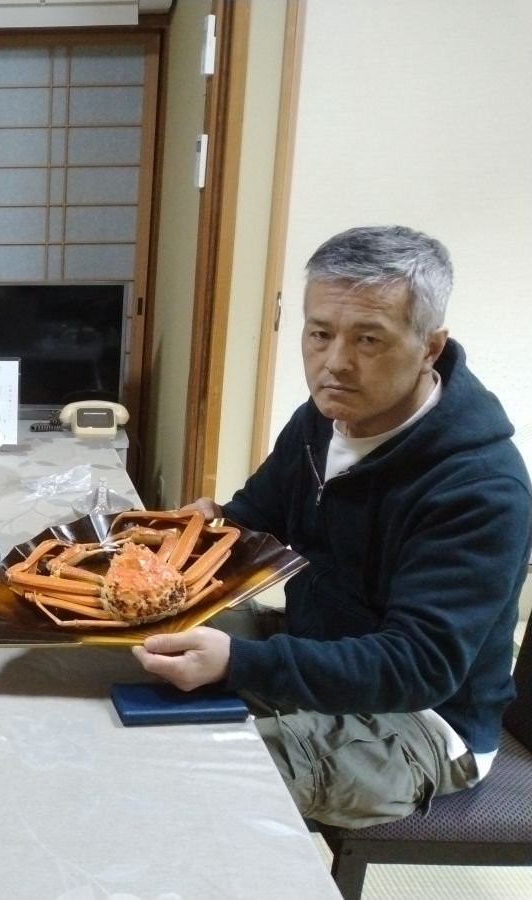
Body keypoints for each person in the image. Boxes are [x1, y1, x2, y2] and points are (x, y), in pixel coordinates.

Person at [133, 225, 532, 828]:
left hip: (423, 719)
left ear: (430, 346)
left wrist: (239, 662)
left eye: (368, 339)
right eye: (320, 334)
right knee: (130, 645)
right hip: (320, 652)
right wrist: (201, 533)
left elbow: (418, 665)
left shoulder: (479, 488)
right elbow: (252, 522)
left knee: (189, 785)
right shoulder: (323, 419)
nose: (335, 363)